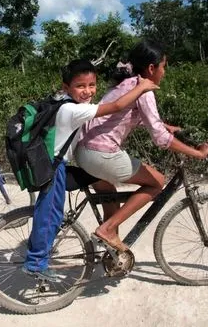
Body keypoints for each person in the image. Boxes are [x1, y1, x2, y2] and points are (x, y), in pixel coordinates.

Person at [23, 59, 158, 282]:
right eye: (81, 86)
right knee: (50, 215)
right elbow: (115, 107)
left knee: (96, 191)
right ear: (66, 87)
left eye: (92, 85)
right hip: (53, 167)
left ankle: (107, 234)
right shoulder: (73, 109)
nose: (88, 91)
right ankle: (36, 263)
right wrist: (141, 87)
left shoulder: (63, 101)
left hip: (55, 163)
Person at [75, 39, 208, 252]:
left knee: (110, 195)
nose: (164, 72)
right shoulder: (143, 88)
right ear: (151, 68)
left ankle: (112, 254)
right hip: (101, 153)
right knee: (157, 182)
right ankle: (108, 229)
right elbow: (160, 139)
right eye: (164, 66)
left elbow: (129, 116)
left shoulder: (126, 84)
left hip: (83, 153)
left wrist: (165, 125)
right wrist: (197, 153)